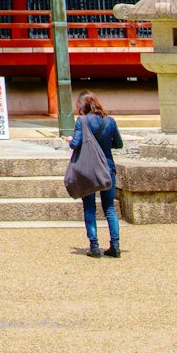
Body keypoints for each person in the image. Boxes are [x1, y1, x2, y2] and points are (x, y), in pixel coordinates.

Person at [69, 91, 123, 258]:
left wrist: (69, 140)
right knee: (110, 208)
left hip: (89, 170)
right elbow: (119, 144)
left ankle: (94, 246)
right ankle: (115, 246)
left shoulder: (82, 121)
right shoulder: (110, 121)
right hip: (107, 168)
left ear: (81, 106)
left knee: (90, 207)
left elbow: (75, 144)